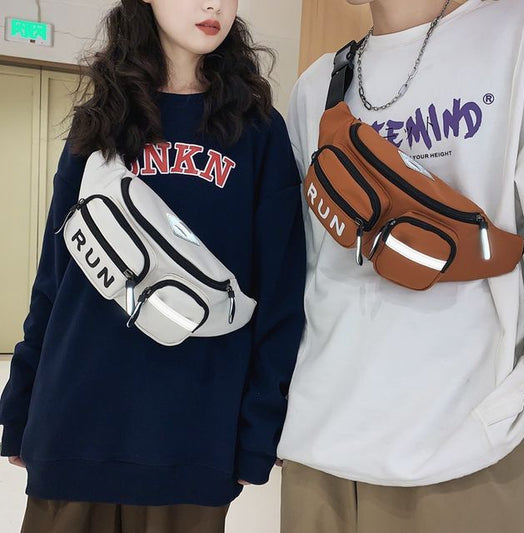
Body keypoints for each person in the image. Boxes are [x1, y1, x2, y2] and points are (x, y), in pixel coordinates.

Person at [0, 0, 306, 531]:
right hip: (74, 420)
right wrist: (21, 401)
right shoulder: (100, 120)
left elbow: (279, 290)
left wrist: (259, 427)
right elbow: (55, 277)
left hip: (193, 434)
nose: (214, 4)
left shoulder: (257, 130)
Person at [278, 0, 524, 531]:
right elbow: (303, 269)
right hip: (317, 453)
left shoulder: (518, 35)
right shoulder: (317, 85)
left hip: (468, 452)